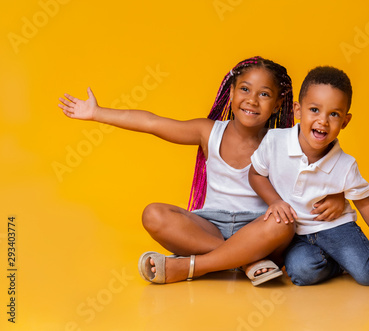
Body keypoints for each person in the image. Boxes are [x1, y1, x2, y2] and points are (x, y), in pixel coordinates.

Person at [58, 56, 346, 285]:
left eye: (264, 94)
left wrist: (340, 199)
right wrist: (97, 113)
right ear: (231, 92)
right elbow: (152, 122)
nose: (252, 100)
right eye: (245, 89)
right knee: (153, 214)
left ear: (278, 105)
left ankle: (189, 266)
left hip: (258, 229)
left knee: (284, 223)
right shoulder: (208, 132)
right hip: (209, 225)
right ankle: (245, 261)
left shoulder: (285, 143)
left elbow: (322, 173)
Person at [249, 66, 369, 286]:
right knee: (301, 273)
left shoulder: (345, 164)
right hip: (297, 234)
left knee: (367, 275)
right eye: (314, 109)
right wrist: (274, 201)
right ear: (298, 110)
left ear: (345, 121)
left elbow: (365, 204)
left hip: (336, 228)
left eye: (334, 114)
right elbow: (255, 174)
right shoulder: (274, 141)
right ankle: (343, 262)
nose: (323, 121)